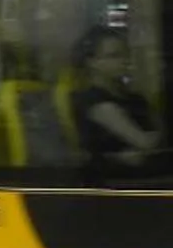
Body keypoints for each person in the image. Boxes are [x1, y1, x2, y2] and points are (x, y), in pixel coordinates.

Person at [69, 26, 163, 182]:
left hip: (146, 175)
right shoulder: (94, 101)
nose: (124, 61)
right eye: (114, 56)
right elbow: (145, 142)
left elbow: (161, 136)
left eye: (126, 54)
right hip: (112, 183)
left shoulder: (136, 98)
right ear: (91, 62)